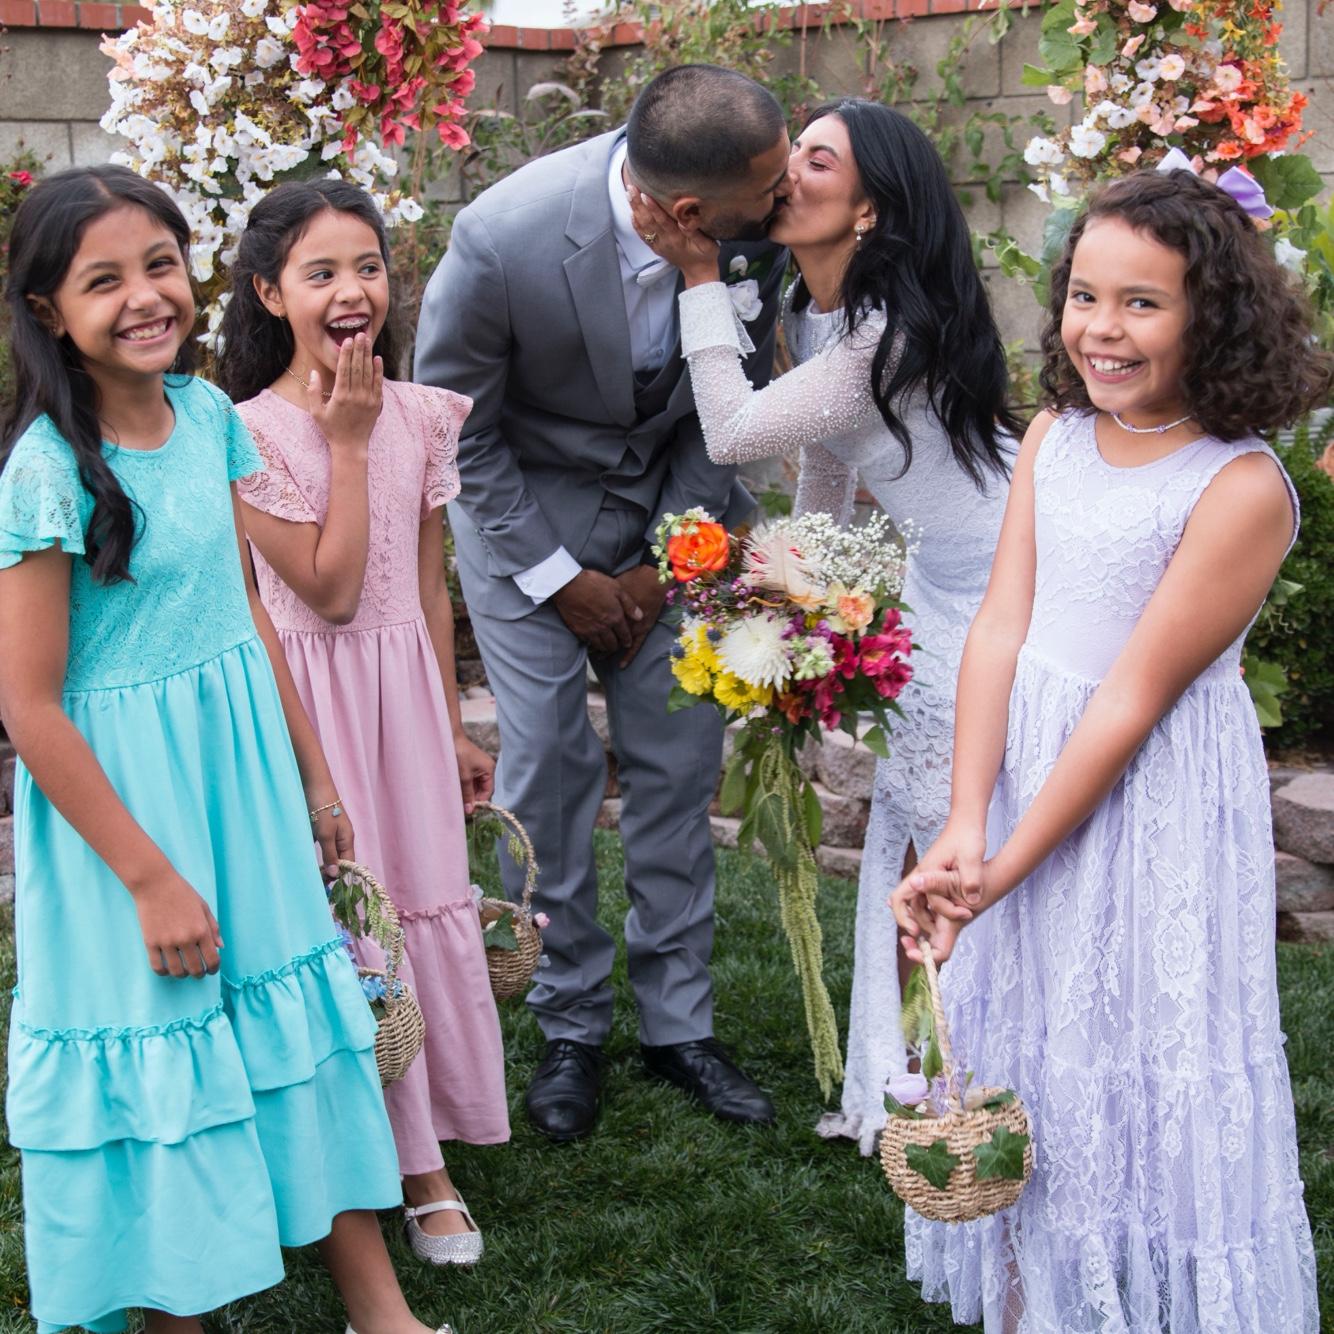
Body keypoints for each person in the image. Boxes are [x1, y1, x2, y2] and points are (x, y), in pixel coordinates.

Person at [0, 165, 451, 1334]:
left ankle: (379, 1307)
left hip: (240, 775)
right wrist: (149, 876)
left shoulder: (205, 415)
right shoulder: (46, 470)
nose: (146, 296)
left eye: (159, 264)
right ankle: (172, 1310)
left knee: (298, 1019)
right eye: (104, 281)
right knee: (165, 1047)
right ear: (50, 310)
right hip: (129, 810)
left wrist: (310, 773)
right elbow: (30, 706)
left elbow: (243, 611)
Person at [890, 166, 1324, 1331]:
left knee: (1139, 1047)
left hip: (1146, 804)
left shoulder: (1235, 486)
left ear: (1210, 317)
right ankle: (1038, 1302)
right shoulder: (1054, 432)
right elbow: (999, 627)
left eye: (1141, 302)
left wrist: (1001, 865)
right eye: (1084, 295)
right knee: (1025, 1036)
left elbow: (1130, 699)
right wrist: (966, 823)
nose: (1099, 329)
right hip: (1023, 773)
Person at [629, 98, 1020, 1151]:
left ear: (869, 211)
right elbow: (828, 474)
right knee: (908, 819)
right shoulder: (819, 317)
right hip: (940, 585)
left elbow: (729, 427)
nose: (783, 175)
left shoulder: (887, 335)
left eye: (813, 160)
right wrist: (790, 606)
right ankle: (903, 1082)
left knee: (944, 830)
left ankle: (962, 1075)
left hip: (1004, 587)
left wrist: (700, 281)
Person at [414, 64, 791, 1141]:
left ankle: (679, 1027)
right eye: (760, 194)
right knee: (547, 767)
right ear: (683, 214)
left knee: (678, 760)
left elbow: (720, 415)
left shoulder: (748, 236)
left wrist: (662, 562)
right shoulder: (503, 236)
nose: (779, 205)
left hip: (671, 520)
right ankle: (568, 1020)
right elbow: (459, 427)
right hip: (524, 529)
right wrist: (563, 579)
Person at [216, 180, 509, 1268]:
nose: (352, 291)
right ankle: (351, 1148)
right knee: (349, 922)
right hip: (310, 709)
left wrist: (451, 722)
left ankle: (426, 1153)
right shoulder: (244, 434)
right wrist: (342, 438)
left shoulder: (427, 413)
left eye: (369, 266)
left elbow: (427, 589)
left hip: (404, 704)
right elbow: (326, 596)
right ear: (269, 292)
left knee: (424, 901)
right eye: (319, 272)